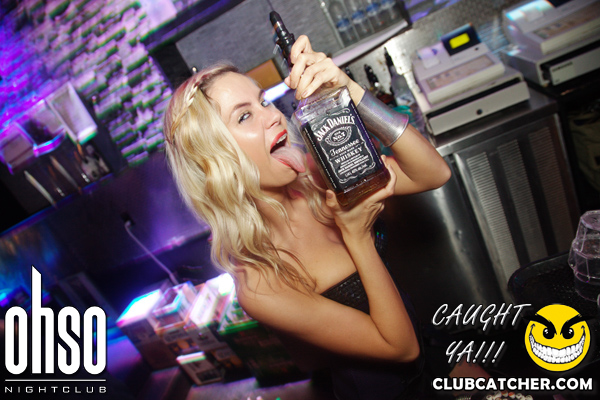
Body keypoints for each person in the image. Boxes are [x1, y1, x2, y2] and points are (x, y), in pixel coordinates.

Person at [163, 35, 452, 399]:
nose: (274, 115)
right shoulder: (260, 281)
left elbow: (432, 173)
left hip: (431, 360)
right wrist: (357, 238)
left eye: (263, 101)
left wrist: (350, 92)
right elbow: (400, 349)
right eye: (245, 115)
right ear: (215, 161)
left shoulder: (315, 173)